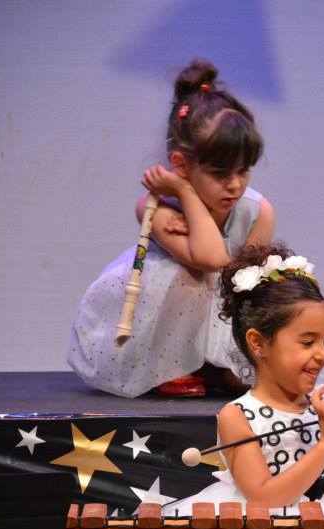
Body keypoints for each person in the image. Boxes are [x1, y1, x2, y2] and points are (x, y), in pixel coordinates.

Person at [68, 58, 275, 398]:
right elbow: (210, 258)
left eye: (243, 171)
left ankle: (217, 365)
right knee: (185, 275)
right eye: (220, 174)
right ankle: (176, 367)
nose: (234, 185)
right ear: (180, 164)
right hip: (163, 336)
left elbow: (240, 283)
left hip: (227, 309)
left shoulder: (258, 211)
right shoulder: (158, 208)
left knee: (250, 292)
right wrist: (184, 193)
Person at [162, 244, 324, 515]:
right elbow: (264, 498)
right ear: (258, 343)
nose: (322, 355)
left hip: (317, 528)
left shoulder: (321, 410)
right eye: (307, 342)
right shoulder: (238, 416)